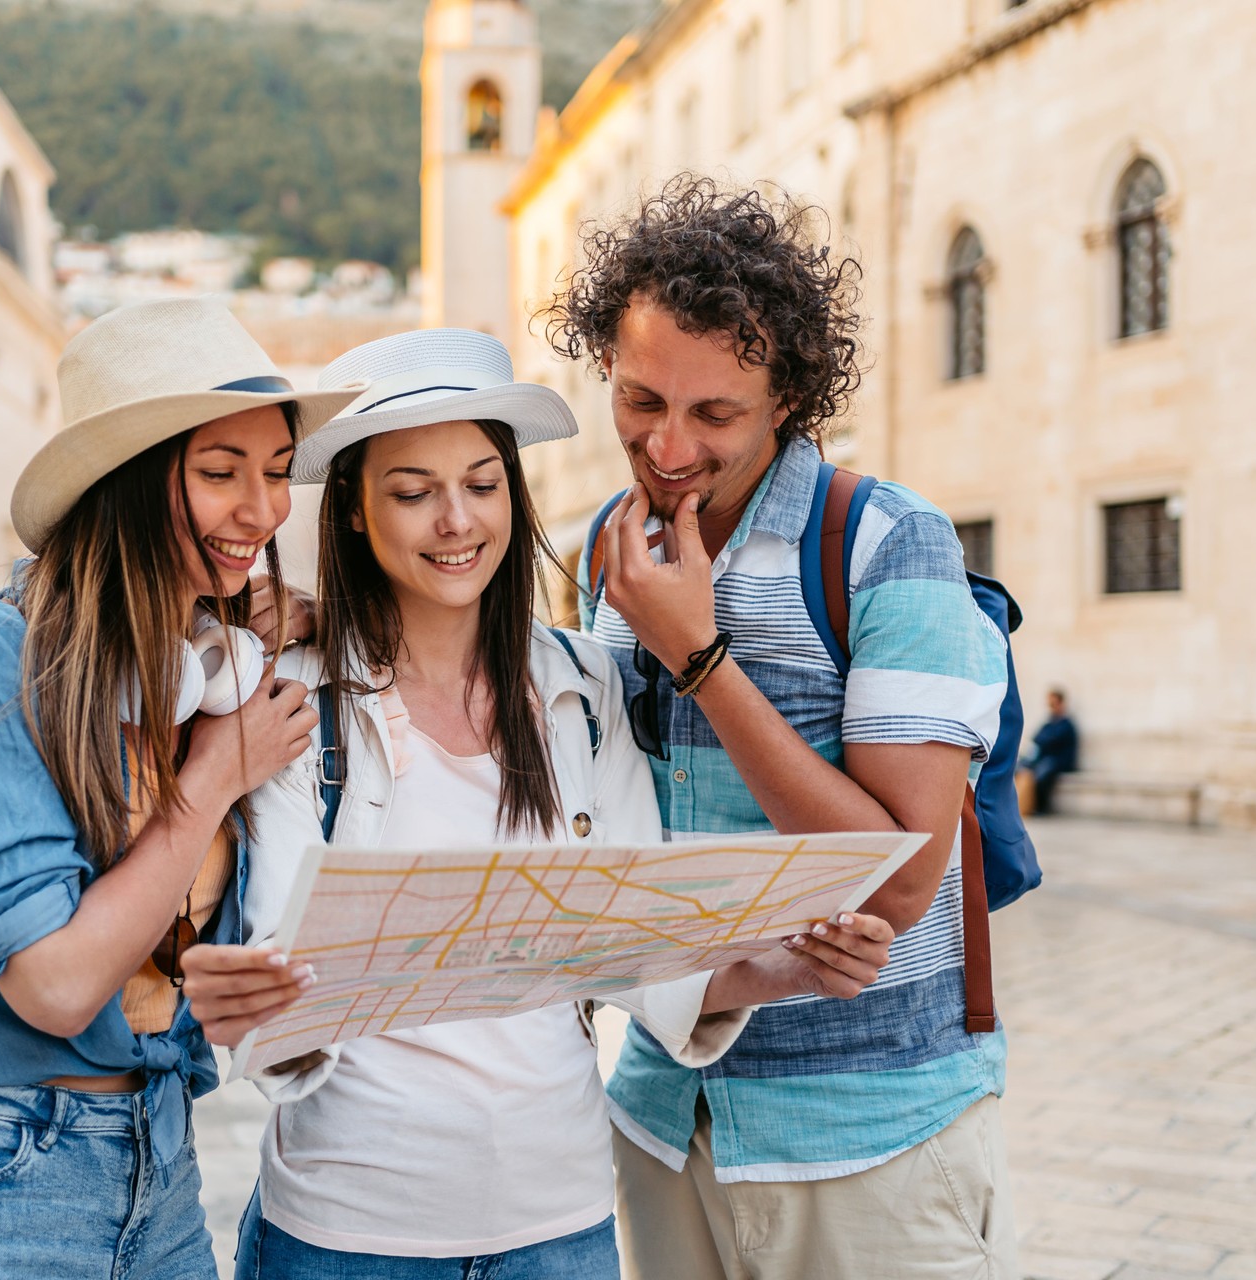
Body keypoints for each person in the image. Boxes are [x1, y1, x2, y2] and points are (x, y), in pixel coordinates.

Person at [180, 329, 896, 1280]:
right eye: (411, 492)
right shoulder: (287, 698)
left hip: (560, 1229)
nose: (455, 522)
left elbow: (645, 952)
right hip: (349, 1233)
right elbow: (275, 984)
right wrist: (249, 999)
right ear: (352, 510)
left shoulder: (582, 686)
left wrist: (793, 967)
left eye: (481, 486)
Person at [0, 298, 361, 1280]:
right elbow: (55, 981)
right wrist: (217, 772)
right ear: (127, 482)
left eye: (276, 473)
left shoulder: (203, 665)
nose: (264, 511)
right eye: (222, 472)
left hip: (161, 1163)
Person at [545, 178, 1016, 1278]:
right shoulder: (600, 551)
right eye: (639, 399)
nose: (665, 446)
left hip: (867, 1139)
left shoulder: (890, 545)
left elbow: (899, 882)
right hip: (665, 1116)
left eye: (714, 414)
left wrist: (700, 660)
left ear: (789, 397)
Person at [1024, 688, 1079, 815]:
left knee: (1043, 772)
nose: (1051, 707)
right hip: (1046, 759)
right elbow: (1037, 738)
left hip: (1060, 761)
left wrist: (1046, 740)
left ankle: (1041, 807)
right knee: (1022, 766)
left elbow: (1051, 740)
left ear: (1061, 703)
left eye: (1053, 704)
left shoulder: (1066, 724)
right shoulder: (1049, 723)